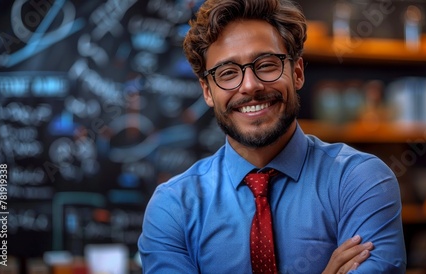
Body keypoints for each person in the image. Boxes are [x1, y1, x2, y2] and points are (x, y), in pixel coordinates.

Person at [138, 0, 407, 273]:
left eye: (266, 65)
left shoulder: (360, 180)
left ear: (297, 72)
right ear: (207, 91)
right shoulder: (172, 208)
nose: (250, 85)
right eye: (228, 73)